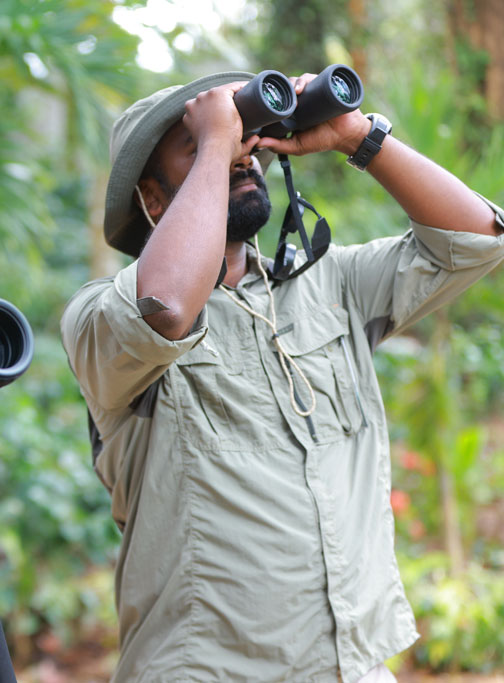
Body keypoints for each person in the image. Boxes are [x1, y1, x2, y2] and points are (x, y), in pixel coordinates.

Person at [60, 70, 504, 682]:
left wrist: (356, 136)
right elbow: (162, 307)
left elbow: (477, 240)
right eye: (199, 146)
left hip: (355, 667)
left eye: (247, 140)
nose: (244, 153)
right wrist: (219, 140)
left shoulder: (331, 286)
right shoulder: (99, 319)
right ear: (154, 200)